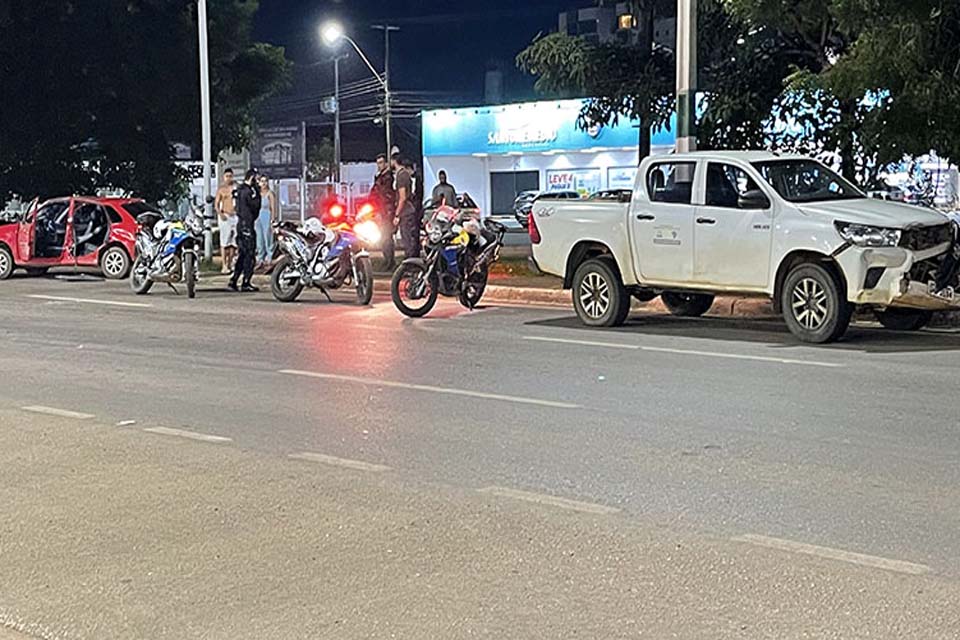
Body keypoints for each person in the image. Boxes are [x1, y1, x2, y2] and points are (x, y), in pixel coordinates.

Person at [229, 169, 262, 293]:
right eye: (256, 179)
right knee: (249, 255)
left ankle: (234, 280)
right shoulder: (249, 192)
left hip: (240, 224)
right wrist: (257, 192)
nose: (257, 182)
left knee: (242, 254)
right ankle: (246, 282)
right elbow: (255, 207)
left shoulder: (238, 190)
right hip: (247, 225)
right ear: (252, 177)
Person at [370, 153, 396, 269]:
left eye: (381, 163)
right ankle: (387, 260)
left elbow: (384, 192)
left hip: (387, 211)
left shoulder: (388, 177)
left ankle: (390, 261)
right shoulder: (380, 177)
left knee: (387, 237)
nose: (379, 165)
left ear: (386, 163)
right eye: (378, 163)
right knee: (383, 237)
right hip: (381, 210)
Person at [393, 154, 419, 259]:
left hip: (405, 212)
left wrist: (397, 214)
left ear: (394, 161)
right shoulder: (406, 174)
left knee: (407, 238)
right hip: (408, 210)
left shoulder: (401, 175)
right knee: (408, 238)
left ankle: (410, 264)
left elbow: (402, 197)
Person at [215, 168, 238, 274]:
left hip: (235, 216)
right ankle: (224, 264)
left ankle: (230, 263)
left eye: (230, 176)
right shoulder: (221, 189)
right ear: (224, 177)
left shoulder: (236, 187)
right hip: (225, 216)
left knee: (234, 242)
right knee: (225, 242)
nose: (229, 178)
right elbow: (216, 204)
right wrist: (221, 214)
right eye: (227, 176)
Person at [255, 175, 277, 272]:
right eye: (262, 181)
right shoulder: (257, 194)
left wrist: (272, 219)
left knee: (268, 237)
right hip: (258, 216)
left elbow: (273, 208)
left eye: (265, 181)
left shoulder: (270, 194)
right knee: (259, 238)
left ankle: (269, 258)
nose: (263, 183)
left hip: (266, 215)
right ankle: (260, 258)